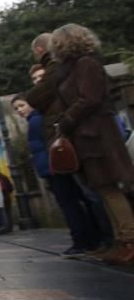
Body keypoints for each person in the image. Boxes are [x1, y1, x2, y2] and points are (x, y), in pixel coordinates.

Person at [49, 24, 134, 265]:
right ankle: (119, 240)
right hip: (86, 135)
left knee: (110, 188)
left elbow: (90, 99)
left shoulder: (86, 64)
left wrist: (66, 120)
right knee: (102, 189)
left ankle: (129, 239)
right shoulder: (71, 69)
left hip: (98, 134)